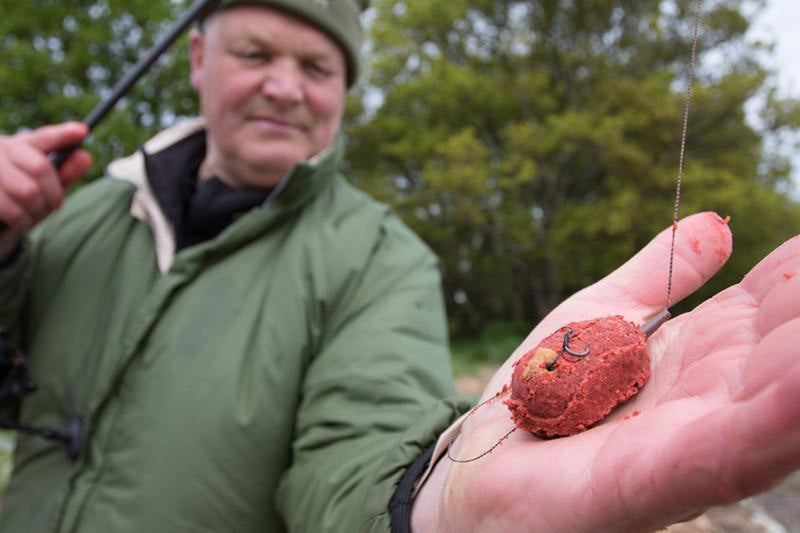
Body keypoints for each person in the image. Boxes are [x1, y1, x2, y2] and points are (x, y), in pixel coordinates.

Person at [0, 1, 797, 532]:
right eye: (254, 52)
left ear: (345, 90)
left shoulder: (381, 260)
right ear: (198, 56)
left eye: (317, 68)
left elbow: (361, 442)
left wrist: (432, 497)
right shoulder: (67, 217)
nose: (284, 87)